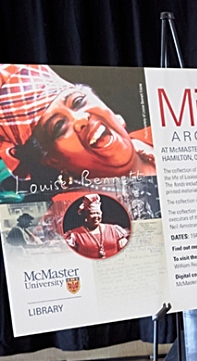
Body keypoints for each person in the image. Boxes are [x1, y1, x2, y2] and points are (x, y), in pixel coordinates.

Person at [0, 64, 156, 181]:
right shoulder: (72, 215)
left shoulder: (164, 138)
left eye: (78, 101)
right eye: (59, 126)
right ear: (52, 161)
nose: (80, 119)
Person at [63, 194, 129, 258]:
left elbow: (125, 251)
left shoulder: (114, 230)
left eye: (98, 213)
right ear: (86, 216)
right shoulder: (75, 235)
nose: (96, 216)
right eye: (93, 213)